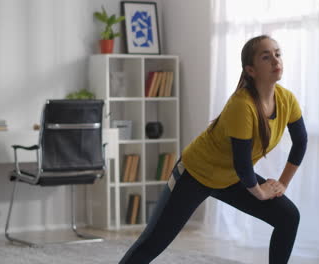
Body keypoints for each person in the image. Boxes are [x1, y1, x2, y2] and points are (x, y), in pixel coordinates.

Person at [119, 35, 308, 264]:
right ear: (251, 69)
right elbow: (242, 162)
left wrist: (281, 185)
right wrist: (260, 192)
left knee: (288, 216)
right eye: (266, 57)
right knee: (153, 242)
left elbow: (300, 142)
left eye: (277, 54)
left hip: (232, 178)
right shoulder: (242, 105)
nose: (276, 61)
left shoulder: (286, 99)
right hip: (195, 174)